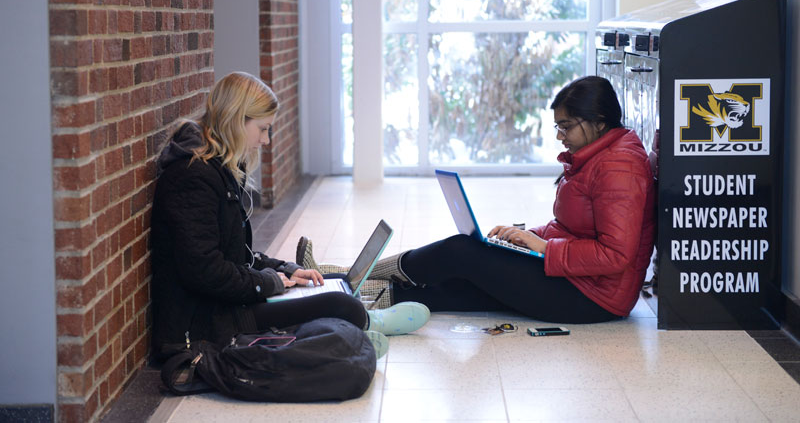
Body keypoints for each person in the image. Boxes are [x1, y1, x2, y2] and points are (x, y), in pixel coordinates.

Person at [298, 76, 656, 323]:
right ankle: (350, 298)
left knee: (461, 252)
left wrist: (543, 248)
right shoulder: (599, 155)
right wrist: (526, 236)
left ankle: (348, 275)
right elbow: (572, 227)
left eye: (567, 126)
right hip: (578, 280)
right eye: (557, 126)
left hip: (594, 297)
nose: (560, 136)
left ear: (599, 121)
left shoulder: (618, 167)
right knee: (468, 282)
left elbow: (615, 255)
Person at [150, 72, 429, 361]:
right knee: (340, 302)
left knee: (329, 281)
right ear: (236, 120)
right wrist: (269, 282)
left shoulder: (215, 170)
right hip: (207, 322)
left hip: (226, 303)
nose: (266, 140)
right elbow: (204, 271)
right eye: (262, 129)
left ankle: (348, 331)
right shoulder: (193, 177)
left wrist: (284, 269)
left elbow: (234, 255)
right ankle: (362, 323)